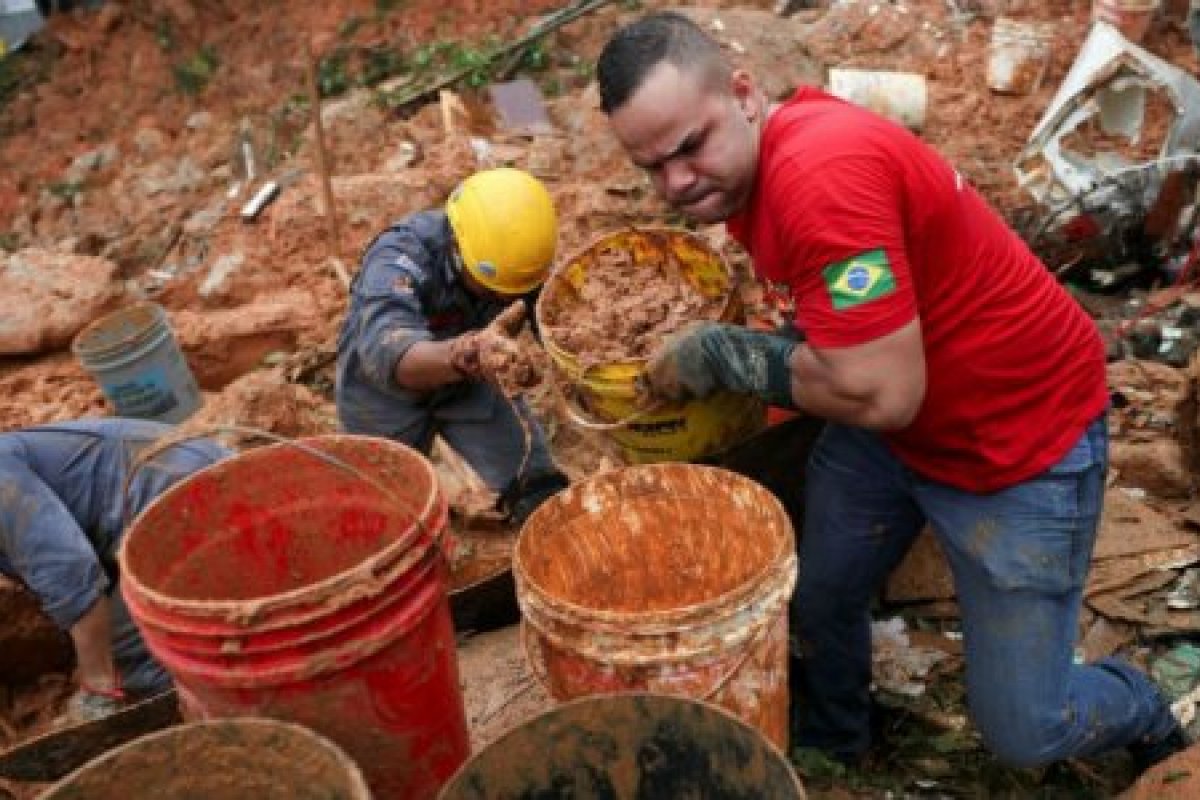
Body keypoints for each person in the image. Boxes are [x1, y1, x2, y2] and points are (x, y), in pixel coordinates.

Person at [595, 11, 1188, 770]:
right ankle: (837, 744)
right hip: (897, 421)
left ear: (743, 95)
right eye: (651, 166)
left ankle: (1141, 704)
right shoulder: (758, 169)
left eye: (689, 146)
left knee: (1026, 733)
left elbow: (883, 394)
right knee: (819, 595)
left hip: (1015, 438)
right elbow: (859, 357)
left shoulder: (819, 179)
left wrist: (726, 355)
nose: (675, 182)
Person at [336, 167, 568, 526]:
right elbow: (391, 353)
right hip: (382, 393)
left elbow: (554, 322)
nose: (504, 299)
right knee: (386, 511)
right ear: (458, 251)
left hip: (472, 382)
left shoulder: (517, 262)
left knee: (537, 488)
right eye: (493, 291)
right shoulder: (399, 258)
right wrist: (466, 353)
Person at [0, 418, 230, 722]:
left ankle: (216, 731)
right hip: (175, 480)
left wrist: (98, 684)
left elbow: (72, 573)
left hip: (183, 493)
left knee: (135, 653)